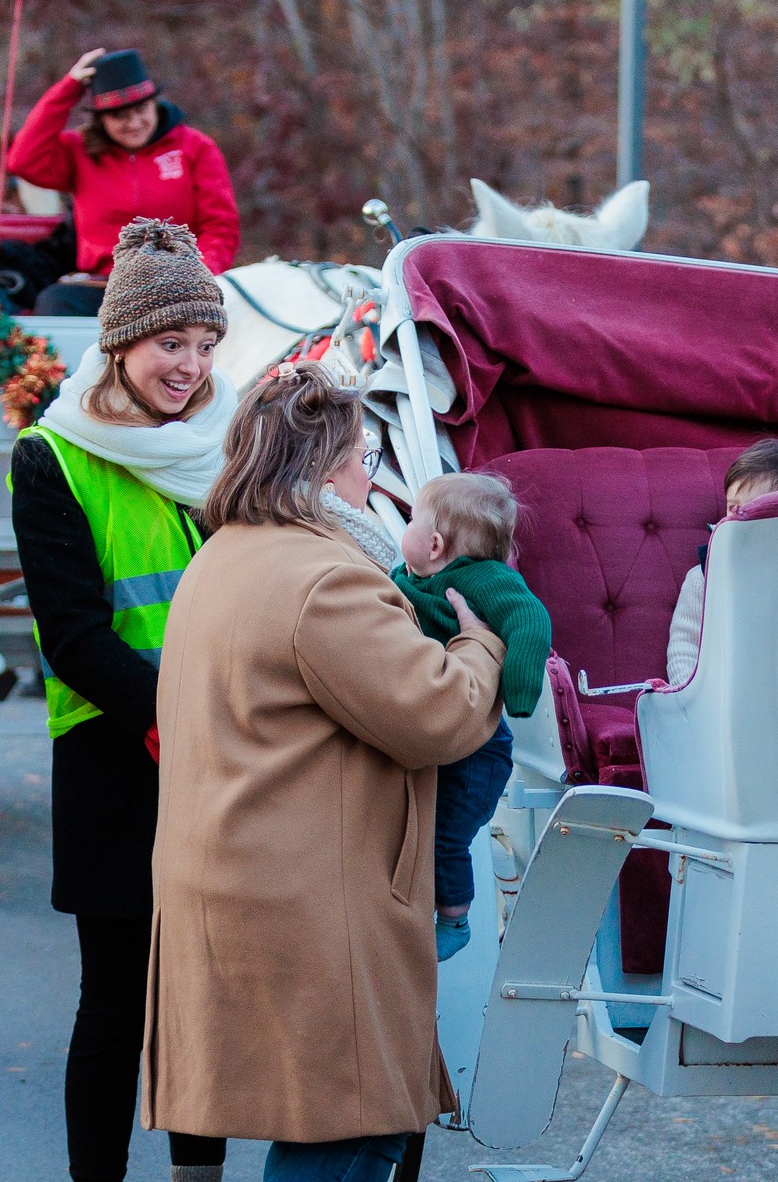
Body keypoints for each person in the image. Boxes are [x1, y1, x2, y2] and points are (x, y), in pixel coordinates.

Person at [145, 362, 505, 1182]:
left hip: (245, 883)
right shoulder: (325, 577)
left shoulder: (225, 553)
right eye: (362, 455)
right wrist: (480, 641)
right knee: (349, 1128)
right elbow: (440, 714)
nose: (369, 476)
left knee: (326, 1127)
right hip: (309, 900)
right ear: (323, 467)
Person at [7, 219, 235, 1182]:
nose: (188, 366)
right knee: (114, 1002)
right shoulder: (51, 456)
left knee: (204, 999)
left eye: (203, 345)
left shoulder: (227, 448)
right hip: (114, 752)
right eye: (169, 343)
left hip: (224, 751)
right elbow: (72, 635)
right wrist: (170, 716)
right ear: (120, 344)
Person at [388, 471, 550, 960]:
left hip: (480, 748)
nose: (407, 526)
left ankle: (455, 920)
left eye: (412, 519)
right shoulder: (408, 576)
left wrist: (521, 691)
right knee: (417, 828)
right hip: (439, 729)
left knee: (445, 834)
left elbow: (530, 620)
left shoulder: (486, 580)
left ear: (435, 543)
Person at [5, 48, 240, 316]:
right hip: (104, 286)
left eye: (141, 109)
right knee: (54, 302)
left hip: (178, 284)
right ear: (101, 119)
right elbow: (21, 160)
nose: (134, 123)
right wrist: (69, 87)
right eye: (119, 116)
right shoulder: (80, 151)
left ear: (155, 103)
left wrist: (200, 275)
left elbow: (220, 227)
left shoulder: (196, 148)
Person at [664, 438, 778, 686]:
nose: (741, 519)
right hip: (717, 693)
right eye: (734, 508)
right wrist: (688, 698)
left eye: (756, 509)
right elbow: (684, 646)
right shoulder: (704, 577)